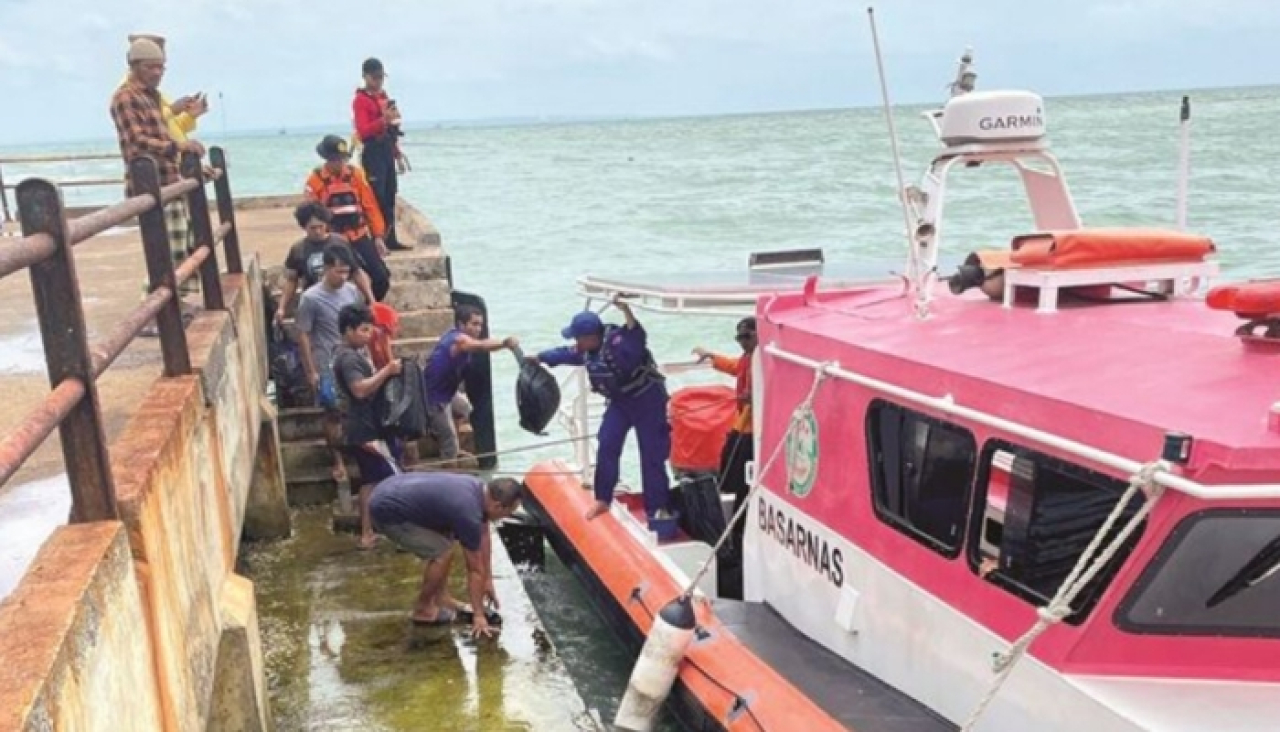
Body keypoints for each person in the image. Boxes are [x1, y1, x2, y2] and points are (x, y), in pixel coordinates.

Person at [529, 297, 672, 522]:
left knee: (651, 454)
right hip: (620, 403)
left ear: (590, 337)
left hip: (647, 400)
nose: (575, 342)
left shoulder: (619, 344)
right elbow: (566, 353)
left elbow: (637, 337)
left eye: (577, 338)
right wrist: (540, 358)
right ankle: (603, 499)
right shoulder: (587, 349)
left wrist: (626, 311)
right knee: (607, 443)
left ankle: (657, 508)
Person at [110, 37, 206, 329]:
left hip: (169, 179)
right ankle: (152, 309)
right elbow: (137, 141)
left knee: (180, 245)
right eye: (151, 67)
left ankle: (172, 301)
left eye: (161, 67)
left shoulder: (153, 97)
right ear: (134, 66)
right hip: (149, 184)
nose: (157, 73)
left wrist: (184, 119)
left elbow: (166, 131)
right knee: (162, 249)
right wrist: (178, 147)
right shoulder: (125, 97)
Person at [368, 473, 522, 638]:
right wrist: (478, 615)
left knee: (447, 537)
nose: (507, 516)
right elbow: (474, 569)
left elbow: (483, 534)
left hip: (391, 488)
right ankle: (423, 610)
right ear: (498, 506)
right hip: (386, 510)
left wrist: (488, 579)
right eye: (509, 512)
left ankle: (441, 599)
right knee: (441, 551)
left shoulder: (478, 490)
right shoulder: (467, 512)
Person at [333, 304, 404, 549]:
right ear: (348, 330)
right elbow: (360, 390)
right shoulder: (349, 359)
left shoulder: (350, 353)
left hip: (361, 427)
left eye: (369, 329)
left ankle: (367, 532)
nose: (368, 335)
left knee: (370, 481)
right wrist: (387, 371)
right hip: (365, 429)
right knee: (392, 477)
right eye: (363, 330)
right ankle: (397, 529)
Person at [295, 245, 365, 484]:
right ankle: (337, 460)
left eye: (346, 272)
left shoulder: (352, 292)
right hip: (327, 362)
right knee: (332, 413)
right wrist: (311, 370)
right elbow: (303, 334)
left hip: (353, 359)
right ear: (325, 268)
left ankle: (359, 454)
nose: (343, 277)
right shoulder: (310, 298)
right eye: (338, 271)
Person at [692, 316, 757, 547]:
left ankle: (738, 527)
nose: (742, 342)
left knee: (738, 475)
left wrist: (755, 396)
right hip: (743, 423)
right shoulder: (748, 358)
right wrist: (712, 357)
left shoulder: (762, 360)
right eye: (739, 338)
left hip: (752, 428)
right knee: (729, 467)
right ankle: (731, 522)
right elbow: (735, 367)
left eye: (746, 337)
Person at [423, 305, 518, 465]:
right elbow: (481, 346)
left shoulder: (462, 340)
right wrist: (504, 344)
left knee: (464, 408)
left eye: (480, 324)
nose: (478, 329)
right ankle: (449, 464)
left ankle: (453, 446)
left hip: (448, 392)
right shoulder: (459, 340)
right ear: (461, 324)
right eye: (474, 324)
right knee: (449, 440)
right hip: (434, 397)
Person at [304, 135, 392, 301]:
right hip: (331, 240)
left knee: (381, 277)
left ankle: (366, 309)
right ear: (326, 159)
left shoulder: (355, 175)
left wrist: (378, 236)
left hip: (358, 235)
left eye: (342, 159)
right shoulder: (315, 181)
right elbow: (310, 213)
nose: (339, 163)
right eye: (335, 159)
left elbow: (370, 206)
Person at [275, 201, 375, 324]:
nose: (317, 231)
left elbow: (357, 272)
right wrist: (282, 307)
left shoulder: (340, 242)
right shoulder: (298, 249)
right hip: (315, 301)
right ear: (304, 227)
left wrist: (371, 300)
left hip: (341, 298)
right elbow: (291, 280)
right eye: (313, 228)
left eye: (321, 226)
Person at [352, 57, 410, 251]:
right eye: (375, 77)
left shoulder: (383, 97)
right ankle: (378, 239)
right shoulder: (360, 101)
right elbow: (363, 131)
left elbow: (391, 130)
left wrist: (397, 153)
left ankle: (390, 238)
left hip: (386, 149)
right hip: (372, 151)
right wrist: (382, 120)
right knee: (376, 197)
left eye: (381, 78)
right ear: (365, 77)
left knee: (390, 194)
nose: (378, 82)